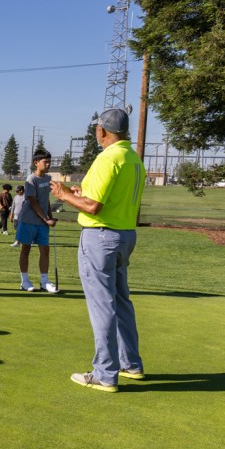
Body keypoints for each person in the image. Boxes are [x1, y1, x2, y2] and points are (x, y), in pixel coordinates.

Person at [51, 108, 146, 393]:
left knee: (102, 304)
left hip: (101, 236)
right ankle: (131, 364)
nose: (96, 132)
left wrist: (64, 195)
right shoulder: (132, 158)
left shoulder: (108, 157)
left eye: (97, 128)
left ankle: (105, 373)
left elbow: (93, 207)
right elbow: (99, 197)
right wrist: (78, 192)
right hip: (125, 235)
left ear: (102, 130)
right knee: (120, 301)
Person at [16, 149, 58, 293]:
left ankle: (44, 282)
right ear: (36, 163)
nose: (48, 164)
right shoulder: (30, 180)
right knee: (25, 250)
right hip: (28, 220)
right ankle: (25, 281)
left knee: (45, 250)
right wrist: (46, 219)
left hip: (43, 222)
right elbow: (33, 203)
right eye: (45, 162)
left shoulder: (48, 178)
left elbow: (46, 201)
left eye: (49, 162)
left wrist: (50, 217)